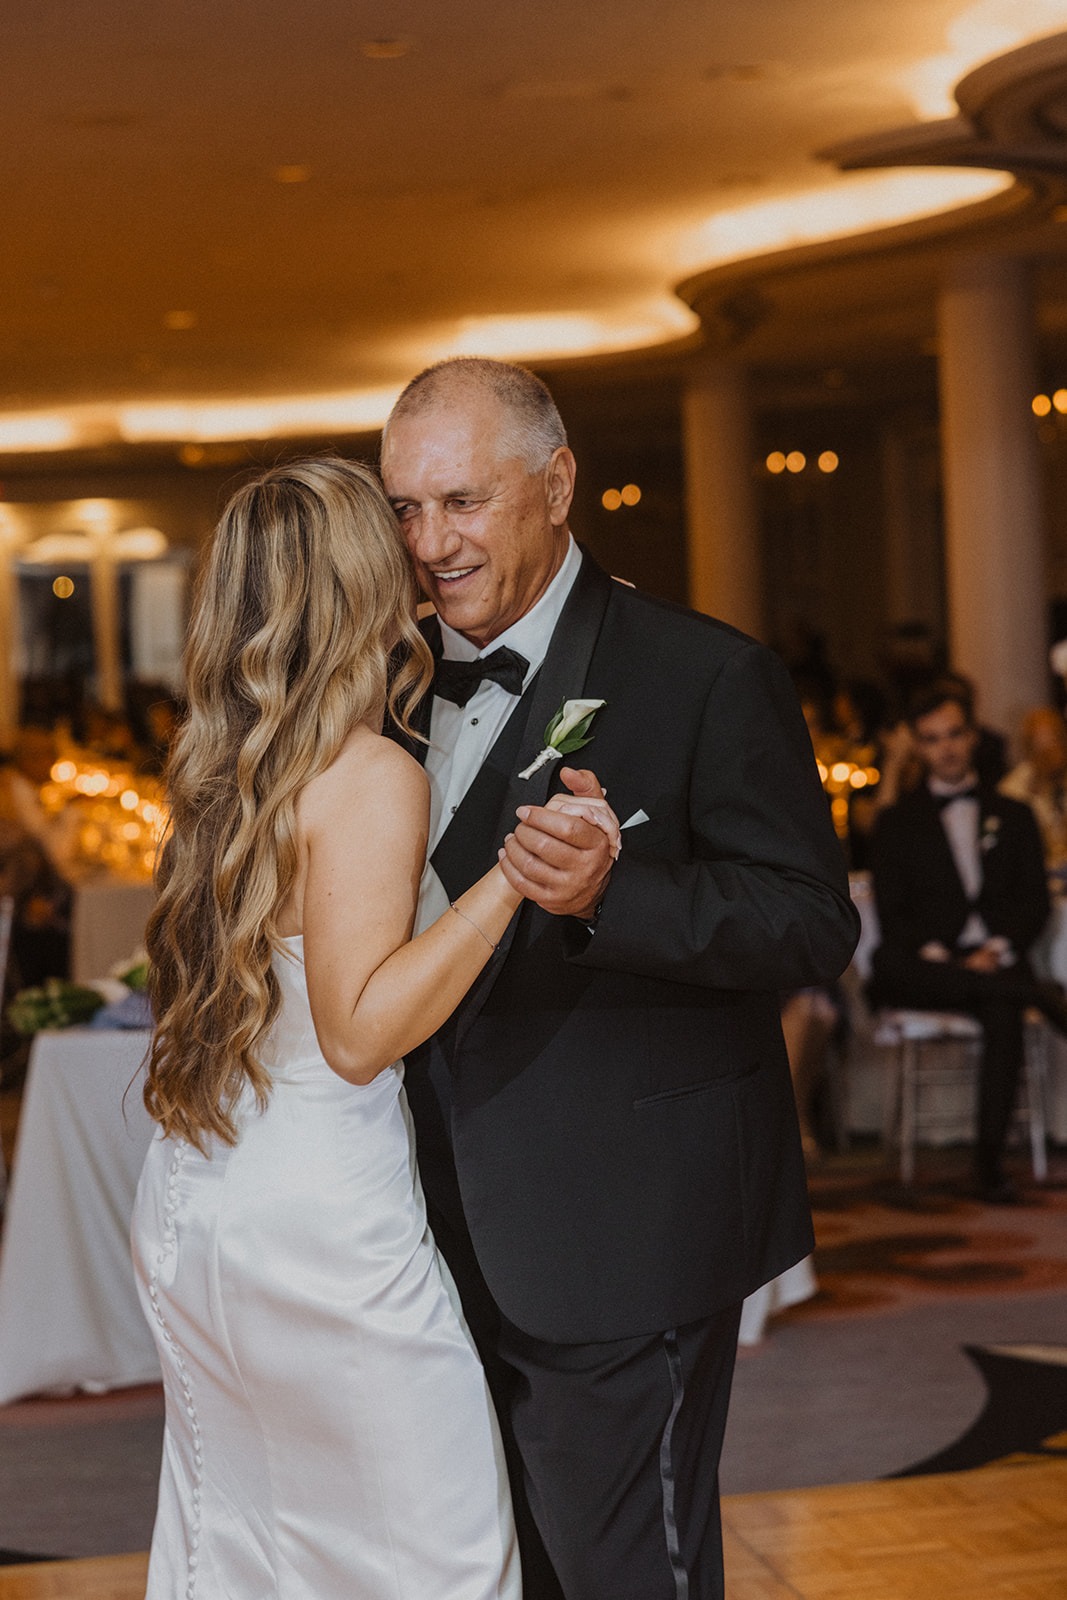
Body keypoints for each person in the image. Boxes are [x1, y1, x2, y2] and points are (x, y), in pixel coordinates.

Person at [380, 357, 860, 1600]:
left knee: (623, 1574)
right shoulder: (377, 686)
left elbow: (810, 923)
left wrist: (612, 896)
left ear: (556, 486)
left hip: (623, 1225)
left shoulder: (702, 673)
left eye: (463, 502)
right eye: (406, 508)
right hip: (409, 1235)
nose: (430, 543)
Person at [132, 458, 547, 1600]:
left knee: (246, 1548)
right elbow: (358, 1035)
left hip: (200, 1197)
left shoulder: (221, 768)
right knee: (440, 1557)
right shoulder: (367, 772)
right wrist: (510, 879)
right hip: (325, 1224)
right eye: (399, 532)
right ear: (369, 581)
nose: (426, 552)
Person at [868, 682, 1065, 1203]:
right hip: (929, 966)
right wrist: (950, 959)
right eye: (932, 739)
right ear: (919, 746)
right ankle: (1036, 995)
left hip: (994, 962)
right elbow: (894, 916)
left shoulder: (1015, 815)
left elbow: (1035, 902)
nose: (947, 748)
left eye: (955, 734)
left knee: (1001, 1004)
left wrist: (995, 950)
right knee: (891, 963)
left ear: (973, 736)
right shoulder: (896, 822)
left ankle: (987, 1167)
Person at [1000, 705, 1067, 879]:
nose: (1051, 757)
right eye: (1042, 750)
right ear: (1028, 750)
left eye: (1056, 743)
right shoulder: (1013, 790)